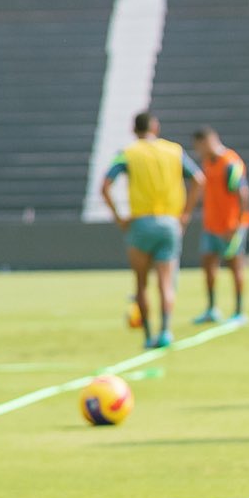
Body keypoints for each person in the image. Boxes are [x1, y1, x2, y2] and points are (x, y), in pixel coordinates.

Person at [99, 111, 200, 350]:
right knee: (166, 282)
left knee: (141, 283)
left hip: (141, 223)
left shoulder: (128, 153)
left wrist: (119, 217)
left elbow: (105, 185)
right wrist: (185, 214)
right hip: (169, 222)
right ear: (155, 127)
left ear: (134, 130)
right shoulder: (174, 151)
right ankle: (165, 332)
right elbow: (199, 179)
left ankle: (147, 336)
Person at [190, 127, 249, 324]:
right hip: (211, 225)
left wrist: (238, 223)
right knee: (208, 266)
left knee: (235, 266)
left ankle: (239, 311)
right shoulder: (208, 163)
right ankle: (211, 309)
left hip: (230, 226)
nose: (198, 150)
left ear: (209, 141)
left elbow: (242, 194)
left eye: (199, 145)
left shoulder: (230, 163)